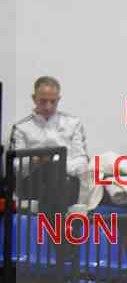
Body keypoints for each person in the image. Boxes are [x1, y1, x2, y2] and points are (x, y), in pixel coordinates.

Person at [9, 75, 89, 209]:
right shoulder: (21, 128)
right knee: (50, 175)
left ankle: (53, 214)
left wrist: (58, 164)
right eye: (43, 101)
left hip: (66, 182)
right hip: (35, 183)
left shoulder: (73, 124)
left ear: (58, 99)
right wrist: (34, 161)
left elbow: (82, 162)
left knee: (57, 173)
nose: (48, 107)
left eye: (53, 101)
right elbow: (15, 165)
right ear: (34, 98)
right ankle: (56, 218)